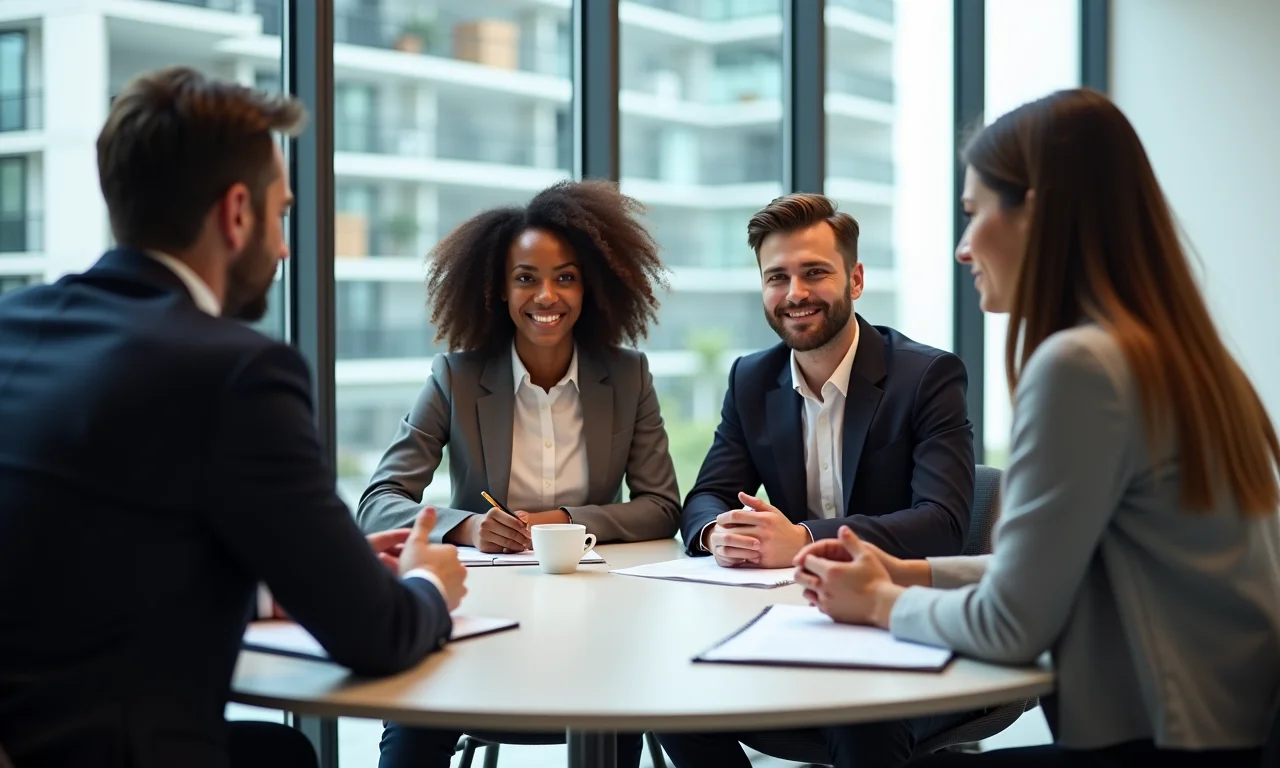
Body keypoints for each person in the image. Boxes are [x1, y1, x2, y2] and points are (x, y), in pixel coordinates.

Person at [795, 88, 1280, 768]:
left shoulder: (1080, 366)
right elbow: (1058, 568)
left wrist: (878, 604)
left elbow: (1011, 623)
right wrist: (908, 574)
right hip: (1227, 731)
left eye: (974, 214)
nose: (964, 249)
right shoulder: (1181, 354)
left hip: (1158, 745)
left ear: (1039, 214)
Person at [0, 67, 468, 768]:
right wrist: (429, 580)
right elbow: (378, 633)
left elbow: (80, 556)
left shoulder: (15, 325)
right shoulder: (237, 370)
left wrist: (273, 584)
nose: (284, 247)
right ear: (237, 212)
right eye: (282, 214)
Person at [357, 179, 680, 768]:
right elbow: (378, 501)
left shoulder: (628, 376)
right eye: (525, 277)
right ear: (498, 290)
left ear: (591, 286)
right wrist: (467, 527)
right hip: (480, 610)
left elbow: (662, 505)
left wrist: (561, 522)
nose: (546, 295)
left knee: (619, 713)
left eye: (566, 276)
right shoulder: (455, 378)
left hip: (601, 613)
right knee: (411, 726)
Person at [657, 193, 977, 768]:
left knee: (860, 724)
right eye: (777, 277)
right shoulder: (752, 378)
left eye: (815, 273)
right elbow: (705, 495)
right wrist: (716, 533)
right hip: (793, 619)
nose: (795, 293)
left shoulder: (926, 376)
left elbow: (943, 524)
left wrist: (803, 538)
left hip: (897, 621)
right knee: (676, 701)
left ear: (855, 278)